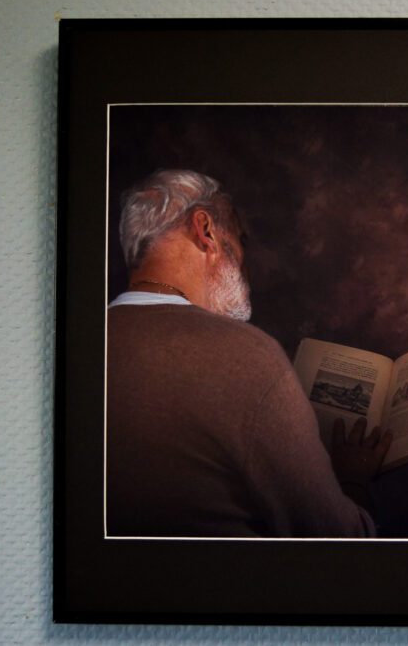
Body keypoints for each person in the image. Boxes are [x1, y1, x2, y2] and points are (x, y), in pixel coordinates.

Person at [106, 169, 390, 538]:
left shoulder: (83, 346)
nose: (243, 264)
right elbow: (336, 538)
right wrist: (353, 481)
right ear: (205, 231)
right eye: (239, 240)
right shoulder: (247, 354)